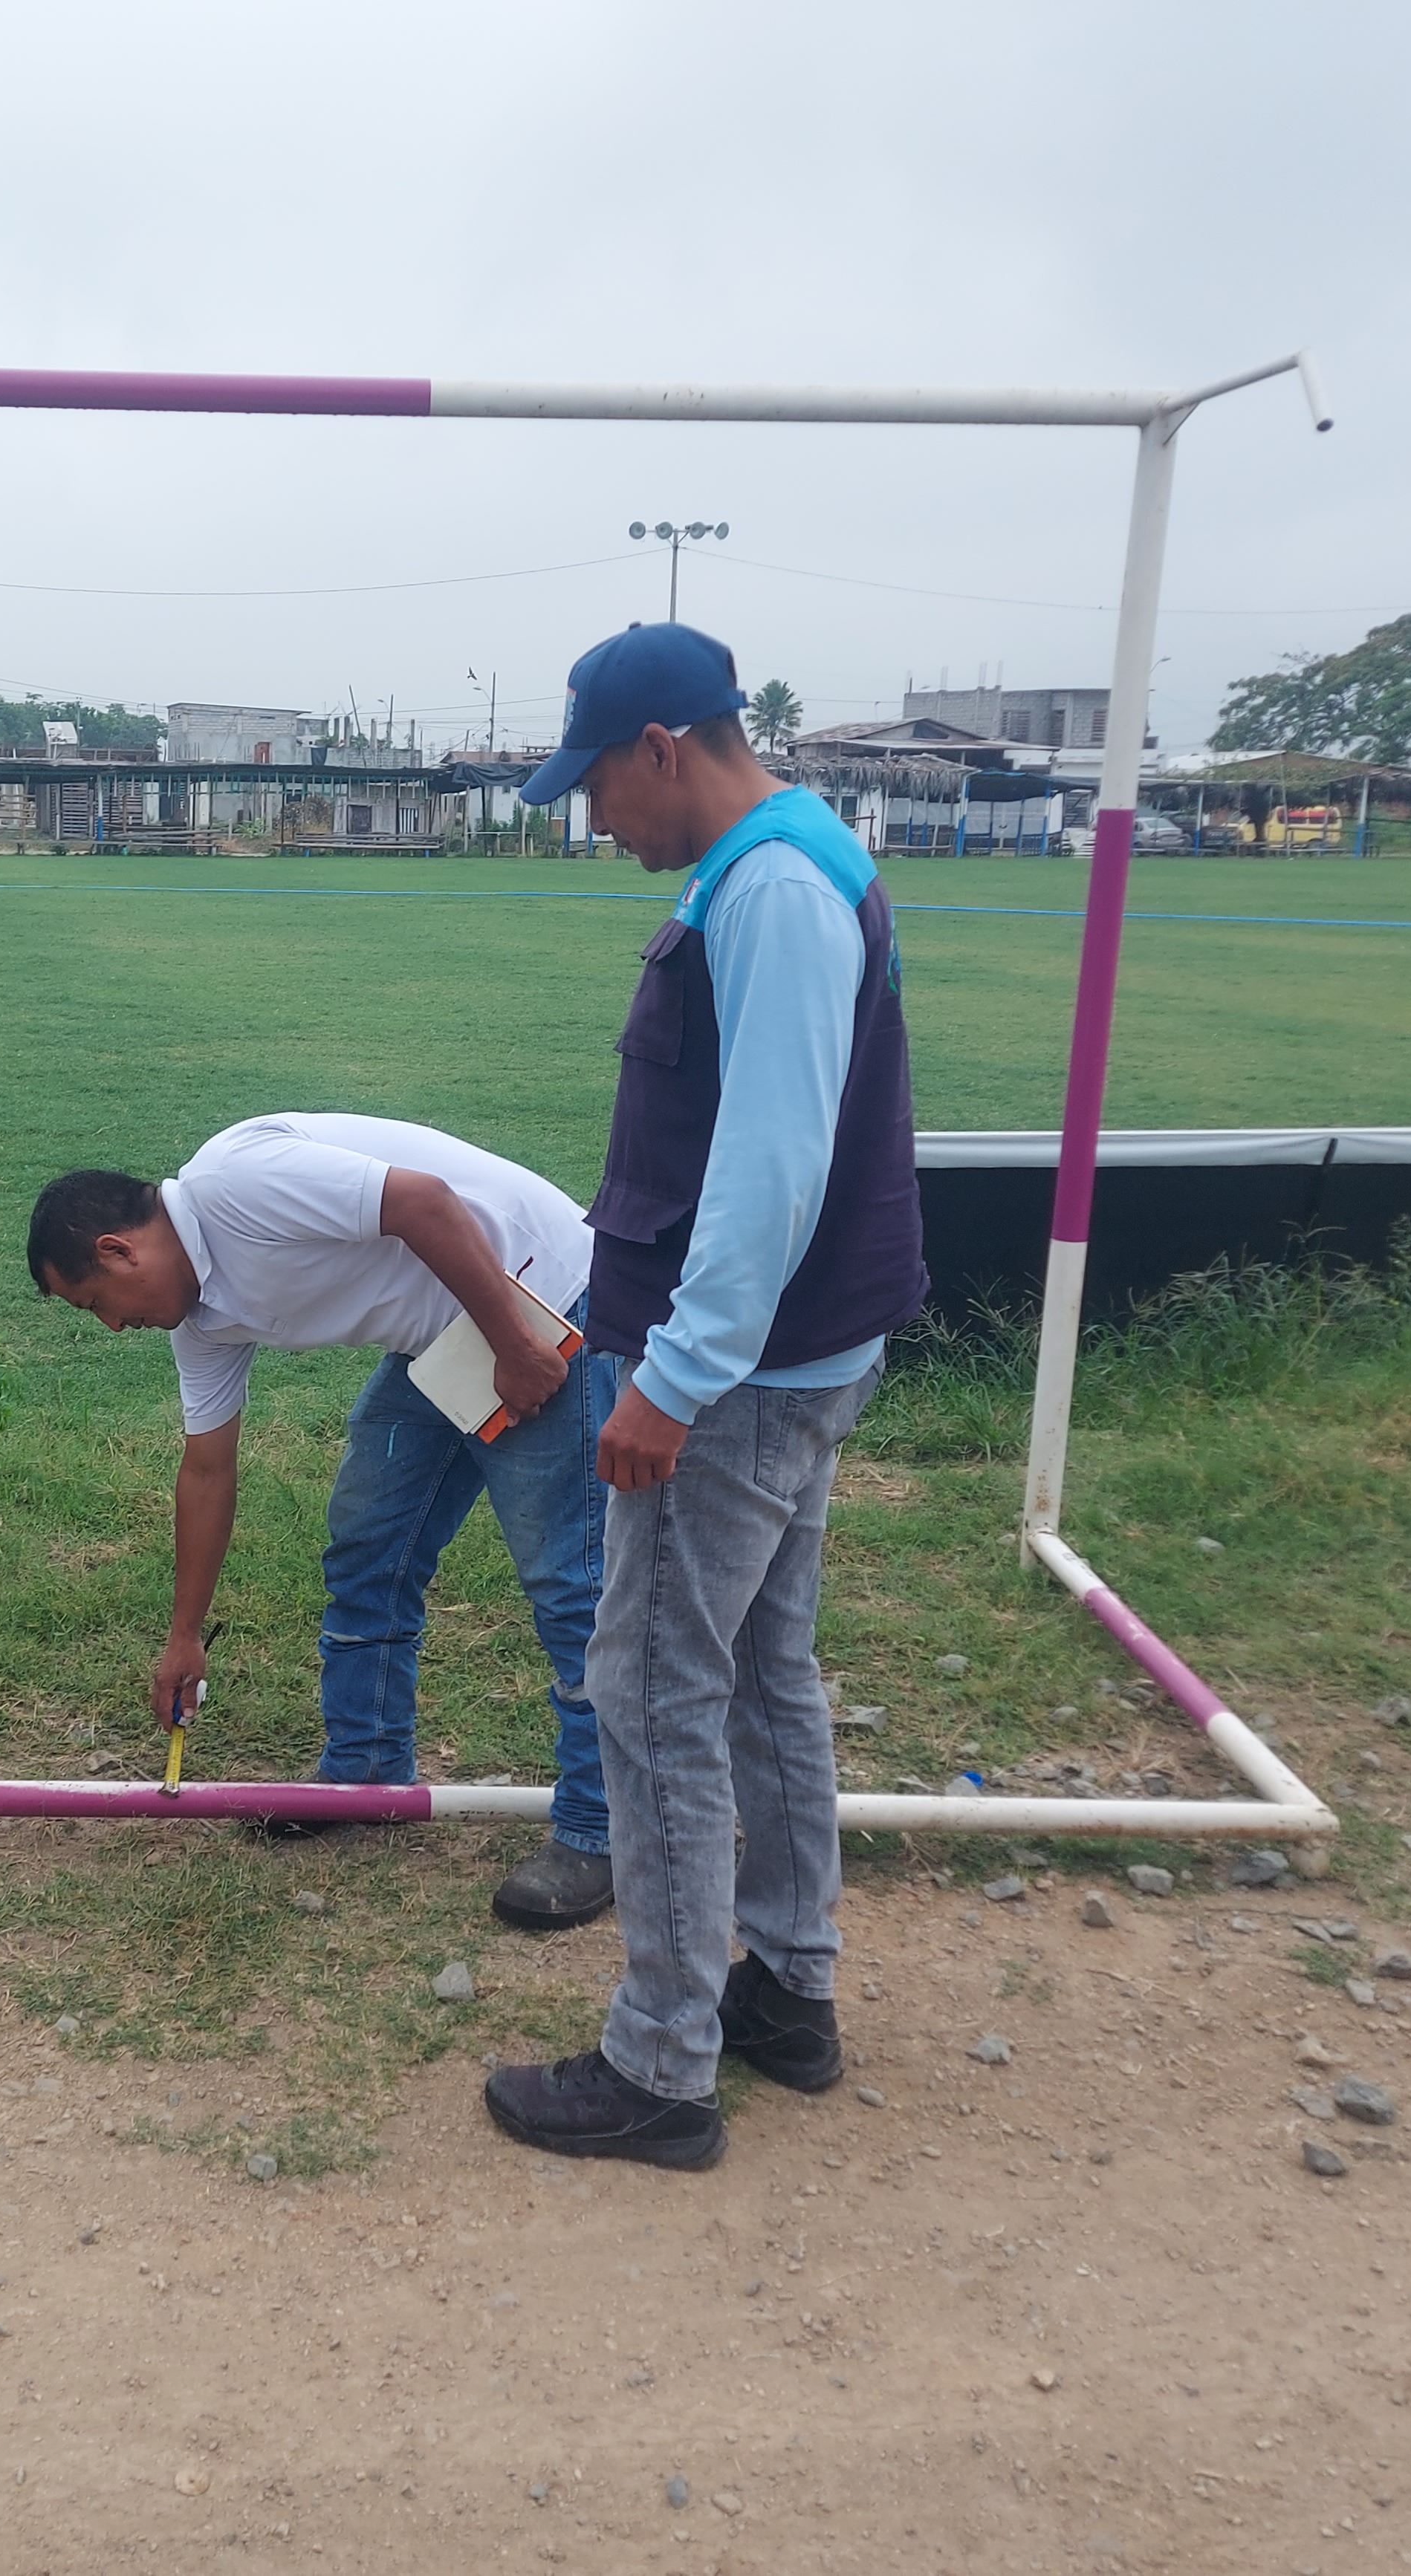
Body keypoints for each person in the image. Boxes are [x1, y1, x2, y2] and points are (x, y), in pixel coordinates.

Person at [479, 622, 927, 2169]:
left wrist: (668, 1382)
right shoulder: (773, 865)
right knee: (757, 1672)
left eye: (596, 785)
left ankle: (661, 2061)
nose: (593, 818)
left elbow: (770, 1167)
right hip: (796, 1359)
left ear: (662, 748)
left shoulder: (774, 888)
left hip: (736, 1381)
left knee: (653, 1691)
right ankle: (784, 1990)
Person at [28, 1114, 620, 1931]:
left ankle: (600, 1827)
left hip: (540, 1296)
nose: (111, 1326)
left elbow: (424, 1203)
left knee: (569, 1582)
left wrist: (515, 1347)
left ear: (117, 1251)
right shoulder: (200, 1324)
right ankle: (365, 1774)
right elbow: (207, 1471)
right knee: (367, 1549)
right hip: (440, 1339)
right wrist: (184, 1635)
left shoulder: (234, 1182)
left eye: (96, 1303)